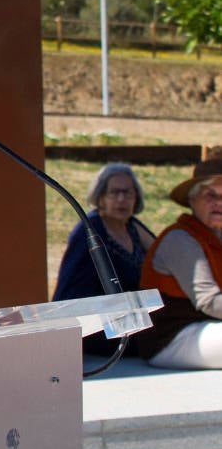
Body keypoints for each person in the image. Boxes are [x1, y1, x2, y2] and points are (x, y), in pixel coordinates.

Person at [53, 163, 156, 356]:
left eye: (128, 193)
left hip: (134, 320)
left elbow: (163, 256)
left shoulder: (132, 226)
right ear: (100, 197)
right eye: (114, 193)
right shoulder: (90, 230)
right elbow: (70, 295)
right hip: (100, 329)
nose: (121, 199)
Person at [138, 158, 222, 369]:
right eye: (210, 195)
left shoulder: (217, 236)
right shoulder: (180, 239)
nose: (219, 203)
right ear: (192, 200)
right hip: (171, 338)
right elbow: (209, 302)